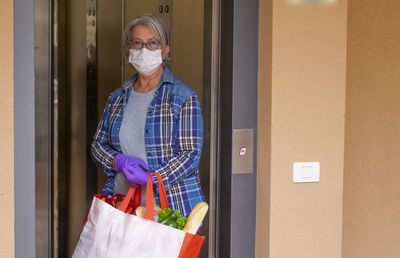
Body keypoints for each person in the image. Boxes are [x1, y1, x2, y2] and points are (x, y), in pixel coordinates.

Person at [90, 13, 205, 217]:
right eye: (137, 43)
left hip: (170, 210)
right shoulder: (117, 98)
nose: (144, 49)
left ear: (165, 50)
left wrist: (153, 179)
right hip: (122, 207)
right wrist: (118, 161)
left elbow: (190, 155)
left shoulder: (183, 98)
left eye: (153, 43)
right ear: (128, 50)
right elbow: (97, 146)